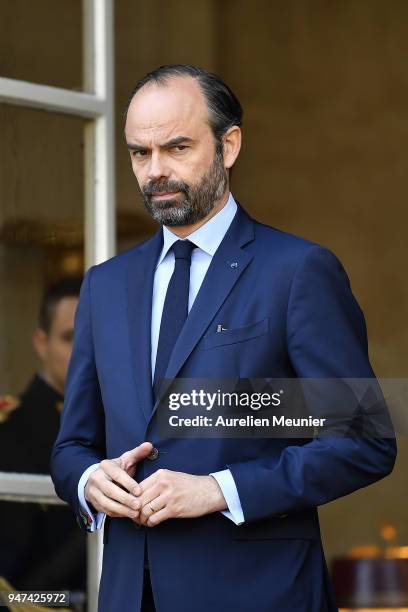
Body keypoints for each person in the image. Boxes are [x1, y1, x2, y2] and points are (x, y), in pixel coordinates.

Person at [51, 65, 396, 612]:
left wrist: (220, 489)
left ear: (228, 145)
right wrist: (90, 480)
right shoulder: (105, 286)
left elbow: (363, 443)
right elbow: (73, 446)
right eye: (141, 154)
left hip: (261, 595)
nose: (156, 171)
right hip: (126, 595)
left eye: (177, 147)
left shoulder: (298, 271)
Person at [0, 278, 86, 595]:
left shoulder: (120, 419)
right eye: (71, 337)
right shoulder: (11, 431)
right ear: (41, 343)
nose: (85, 350)